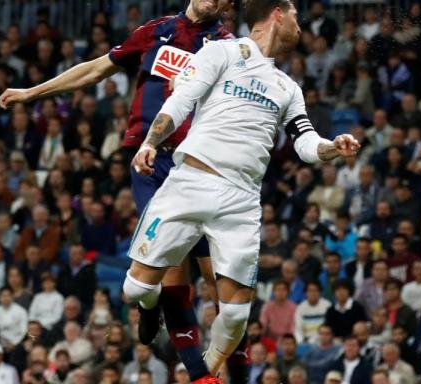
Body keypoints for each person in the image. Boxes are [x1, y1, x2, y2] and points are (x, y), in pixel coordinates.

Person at [121, 1, 360, 383]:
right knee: (135, 290)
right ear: (278, 14)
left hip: (241, 202)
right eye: (297, 18)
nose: (301, 29)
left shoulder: (288, 87)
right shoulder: (221, 51)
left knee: (233, 317)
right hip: (191, 182)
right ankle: (151, 305)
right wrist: (151, 141)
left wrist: (333, 147)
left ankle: (206, 375)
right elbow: (180, 100)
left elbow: (305, 143)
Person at [0, 2, 233, 382]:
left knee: (218, 283)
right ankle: (198, 373)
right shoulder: (155, 31)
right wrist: (32, 92)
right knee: (173, 270)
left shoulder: (226, 45)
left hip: (200, 165)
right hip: (151, 160)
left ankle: (152, 301)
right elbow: (94, 69)